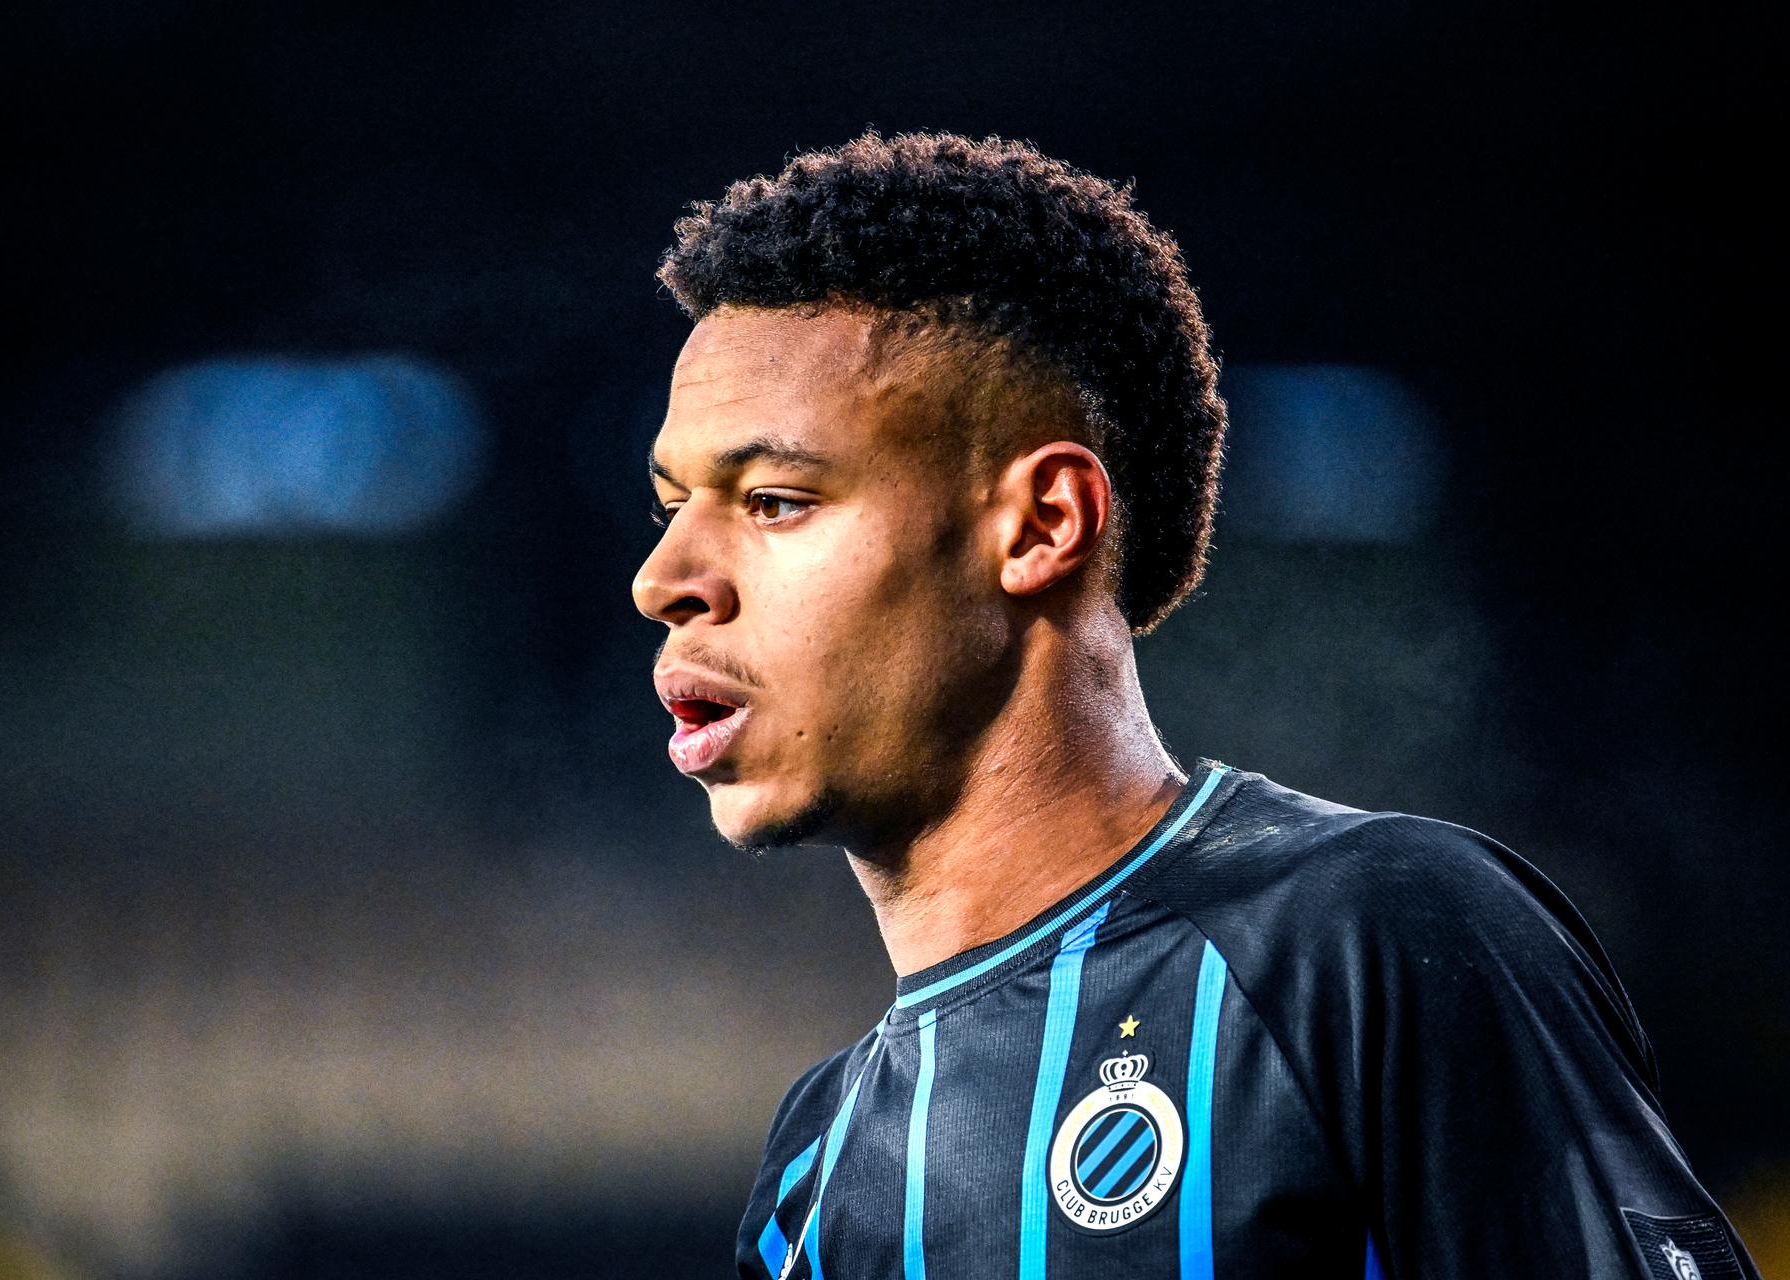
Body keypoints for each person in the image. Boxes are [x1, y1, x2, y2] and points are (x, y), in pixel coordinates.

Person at [631, 131, 1757, 1280]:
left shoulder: (1371, 939)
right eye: (670, 503)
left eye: (772, 499)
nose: (663, 578)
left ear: (1042, 525)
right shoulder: (814, 1177)